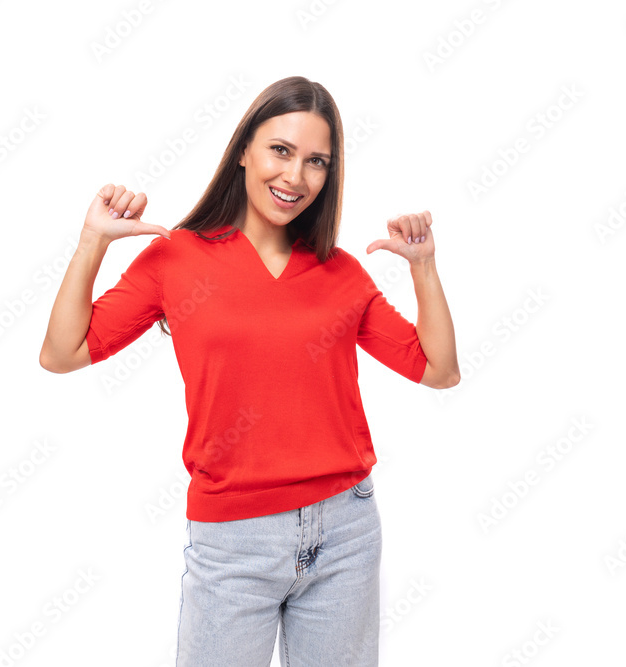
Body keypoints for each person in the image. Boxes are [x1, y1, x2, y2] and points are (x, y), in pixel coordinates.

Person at [39, 75, 459, 666]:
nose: (295, 176)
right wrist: (92, 242)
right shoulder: (176, 259)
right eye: (280, 150)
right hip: (233, 539)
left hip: (345, 531)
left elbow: (438, 369)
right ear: (243, 150)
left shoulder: (340, 273)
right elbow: (62, 353)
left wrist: (424, 268)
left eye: (316, 161)